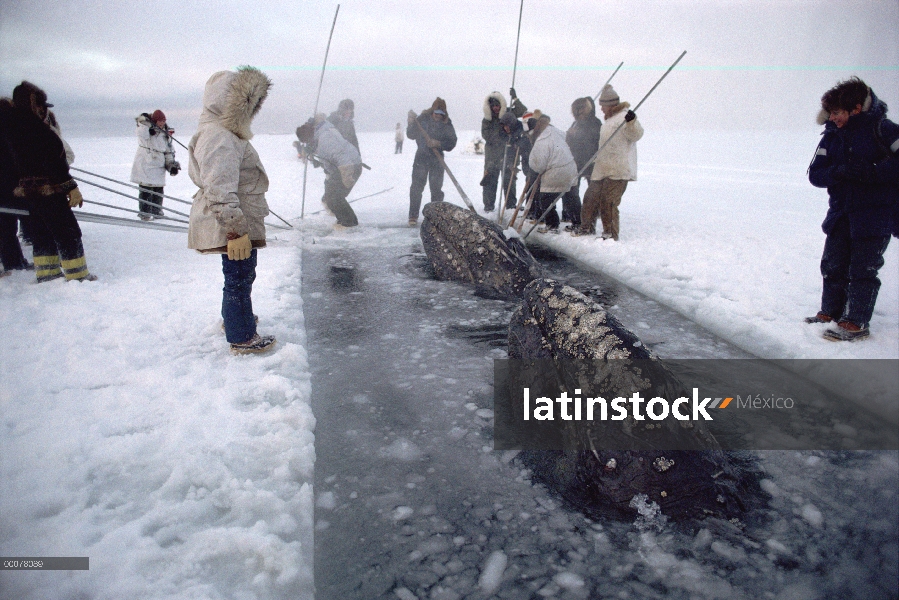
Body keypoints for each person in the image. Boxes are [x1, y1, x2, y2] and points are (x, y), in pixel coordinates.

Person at [188, 67, 276, 354]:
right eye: (247, 103)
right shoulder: (219, 137)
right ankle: (241, 336)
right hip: (232, 223)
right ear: (229, 103)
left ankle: (236, 319)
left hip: (239, 219)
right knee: (238, 276)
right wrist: (235, 231)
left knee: (241, 274)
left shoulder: (226, 133)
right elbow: (219, 189)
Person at [806, 77, 899, 342]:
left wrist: (872, 173)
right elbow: (815, 174)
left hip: (875, 215)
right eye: (831, 112)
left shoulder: (886, 131)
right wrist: (839, 171)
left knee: (863, 269)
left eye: (837, 112)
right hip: (841, 213)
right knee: (833, 265)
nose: (832, 118)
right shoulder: (832, 136)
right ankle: (830, 312)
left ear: (856, 108)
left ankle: (856, 322)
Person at [6, 81, 94, 282]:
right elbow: (54, 163)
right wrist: (71, 187)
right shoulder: (38, 130)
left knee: (41, 231)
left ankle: (47, 273)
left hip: (29, 191)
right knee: (68, 231)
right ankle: (78, 274)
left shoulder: (13, 130)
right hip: (49, 190)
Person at [574, 84, 643, 240]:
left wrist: (632, 122)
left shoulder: (625, 117)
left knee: (608, 202)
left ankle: (610, 235)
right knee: (590, 198)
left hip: (618, 169)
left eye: (602, 106)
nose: (601, 109)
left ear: (611, 104)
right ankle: (587, 228)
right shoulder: (608, 120)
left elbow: (637, 134)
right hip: (602, 167)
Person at [296, 114, 363, 228]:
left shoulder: (325, 138)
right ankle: (343, 220)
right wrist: (313, 151)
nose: (307, 143)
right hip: (339, 167)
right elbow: (328, 156)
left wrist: (347, 174)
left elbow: (341, 155)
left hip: (349, 166)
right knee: (329, 196)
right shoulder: (320, 132)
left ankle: (349, 224)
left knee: (334, 197)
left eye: (307, 141)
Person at [406, 97, 457, 226]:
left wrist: (439, 143)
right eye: (436, 113)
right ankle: (413, 216)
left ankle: (436, 216)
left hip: (437, 159)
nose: (438, 116)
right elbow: (411, 135)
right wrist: (411, 122)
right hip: (421, 158)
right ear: (432, 111)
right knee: (416, 188)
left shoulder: (447, 124)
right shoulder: (422, 119)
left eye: (441, 114)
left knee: (436, 189)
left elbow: (452, 142)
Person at [526, 114, 577, 233]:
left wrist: (537, 170)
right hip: (571, 167)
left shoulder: (540, 140)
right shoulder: (556, 131)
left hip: (555, 172)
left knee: (545, 199)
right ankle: (577, 222)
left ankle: (552, 224)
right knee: (571, 196)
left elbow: (538, 165)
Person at [480, 89, 527, 212]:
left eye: (498, 105)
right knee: (489, 180)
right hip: (492, 156)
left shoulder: (509, 113)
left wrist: (515, 98)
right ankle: (488, 206)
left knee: (509, 180)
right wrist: (503, 135)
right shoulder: (487, 120)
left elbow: (522, 111)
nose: (496, 108)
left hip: (509, 155)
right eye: (493, 105)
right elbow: (486, 135)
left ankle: (510, 205)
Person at [131, 109, 179, 220]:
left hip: (159, 164)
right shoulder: (145, 129)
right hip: (146, 162)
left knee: (158, 189)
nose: (162, 123)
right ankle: (145, 213)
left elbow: (169, 151)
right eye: (160, 121)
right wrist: (147, 126)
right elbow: (140, 132)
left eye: (164, 121)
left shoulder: (165, 134)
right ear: (154, 120)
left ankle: (157, 211)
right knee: (146, 188)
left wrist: (171, 165)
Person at [562, 96, 602, 228]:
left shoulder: (595, 123)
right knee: (571, 191)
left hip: (591, 162)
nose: (579, 113)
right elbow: (569, 142)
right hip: (576, 162)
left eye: (581, 109)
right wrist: (570, 136)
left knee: (593, 194)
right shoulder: (575, 124)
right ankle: (573, 217)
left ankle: (591, 219)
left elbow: (596, 142)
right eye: (576, 110)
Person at [498, 110, 533, 212]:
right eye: (504, 126)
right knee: (508, 176)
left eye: (508, 126)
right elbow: (505, 146)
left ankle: (530, 207)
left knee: (530, 177)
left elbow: (528, 140)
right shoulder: (503, 131)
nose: (506, 128)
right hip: (510, 154)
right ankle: (510, 204)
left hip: (527, 155)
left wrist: (521, 143)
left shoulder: (522, 127)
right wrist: (509, 164)